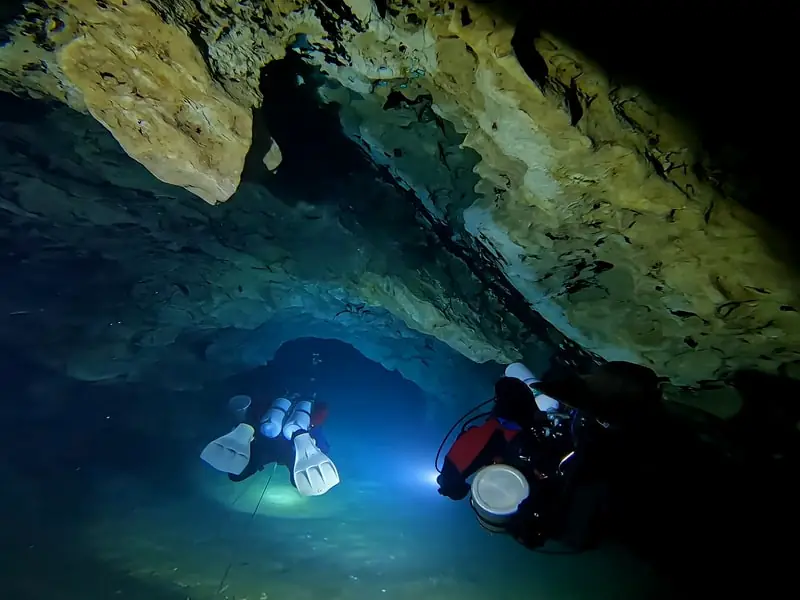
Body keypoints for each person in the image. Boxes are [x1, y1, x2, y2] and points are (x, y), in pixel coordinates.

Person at [437, 360, 668, 550]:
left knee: (525, 398)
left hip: (548, 431)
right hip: (581, 444)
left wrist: (451, 476)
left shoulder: (503, 444)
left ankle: (564, 381)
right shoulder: (563, 503)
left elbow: (482, 438)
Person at [201, 393, 339, 496]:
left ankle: (251, 425)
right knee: (304, 479)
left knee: (237, 473)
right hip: (282, 448)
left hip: (268, 444)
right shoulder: (314, 441)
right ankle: (251, 425)